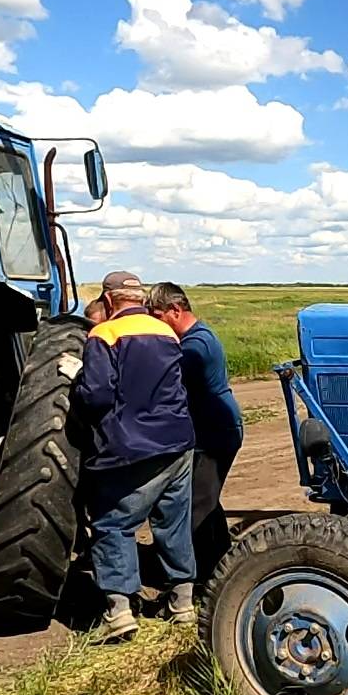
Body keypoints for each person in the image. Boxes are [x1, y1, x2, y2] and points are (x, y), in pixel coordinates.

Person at [70, 270, 197, 641]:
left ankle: (119, 612)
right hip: (177, 443)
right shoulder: (167, 333)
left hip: (132, 448)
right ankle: (183, 603)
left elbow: (97, 396)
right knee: (172, 522)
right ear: (140, 299)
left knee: (114, 523)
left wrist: (77, 379)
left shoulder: (104, 334)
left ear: (109, 301)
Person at [145, 282, 244, 582]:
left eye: (157, 317)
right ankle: (224, 566)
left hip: (214, 434)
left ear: (175, 310)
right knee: (208, 502)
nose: (157, 326)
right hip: (218, 429)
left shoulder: (194, 347)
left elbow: (166, 383)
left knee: (195, 508)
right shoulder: (199, 337)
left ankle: (198, 579)